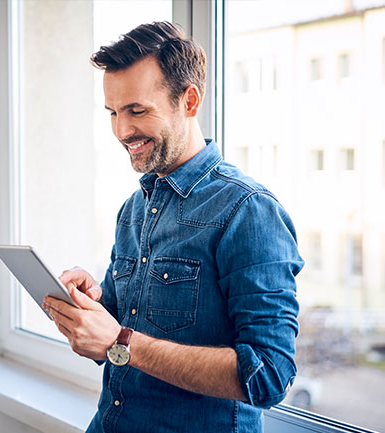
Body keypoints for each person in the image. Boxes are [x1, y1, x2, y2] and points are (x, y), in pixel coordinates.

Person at [42, 21, 304, 433]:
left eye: (137, 111)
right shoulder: (134, 208)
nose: (121, 131)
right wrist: (94, 310)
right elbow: (121, 336)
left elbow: (269, 376)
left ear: (190, 100)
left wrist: (119, 342)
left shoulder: (248, 211)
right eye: (113, 112)